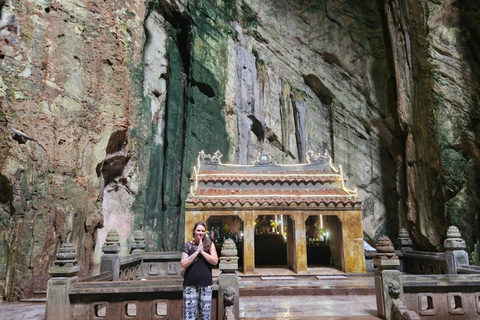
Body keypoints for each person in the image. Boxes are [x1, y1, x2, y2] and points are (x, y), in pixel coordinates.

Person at [181, 222, 218, 320]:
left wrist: (202, 252)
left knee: (205, 316)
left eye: (202, 231)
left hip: (206, 284)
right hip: (190, 284)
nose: (200, 233)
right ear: (194, 231)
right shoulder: (188, 245)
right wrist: (197, 252)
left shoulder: (209, 244)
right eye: (198, 230)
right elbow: (183, 263)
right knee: (189, 316)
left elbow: (215, 261)